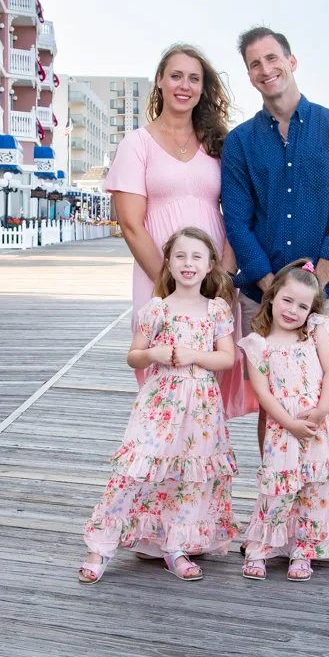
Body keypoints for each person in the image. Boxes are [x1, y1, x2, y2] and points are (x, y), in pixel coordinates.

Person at [221, 26, 329, 451]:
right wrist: (274, 292)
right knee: (271, 403)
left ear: (291, 61)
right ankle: (277, 491)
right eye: (254, 64)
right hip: (262, 295)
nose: (265, 69)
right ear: (249, 76)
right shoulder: (240, 143)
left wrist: (311, 290)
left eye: (272, 58)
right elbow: (238, 222)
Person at [79, 227, 241, 584]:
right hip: (160, 403)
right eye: (180, 256)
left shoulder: (216, 309)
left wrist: (194, 355)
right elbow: (134, 356)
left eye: (197, 257)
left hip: (201, 406)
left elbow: (227, 358)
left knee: (188, 475)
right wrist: (154, 353)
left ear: (210, 265)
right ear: (168, 262)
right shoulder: (157, 309)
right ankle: (101, 547)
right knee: (136, 468)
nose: (188, 263)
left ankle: (175, 546)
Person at [104, 42, 252, 417]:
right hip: (159, 278)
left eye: (194, 78)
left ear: (203, 88)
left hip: (214, 277)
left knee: (210, 371)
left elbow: (237, 215)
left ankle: (202, 449)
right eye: (176, 76)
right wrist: (170, 286)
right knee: (163, 374)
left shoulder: (220, 145)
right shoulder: (136, 145)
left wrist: (225, 278)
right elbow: (131, 225)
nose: (184, 85)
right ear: (159, 81)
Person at [238, 260, 329, 581]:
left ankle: (304, 550)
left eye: (303, 306)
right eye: (287, 300)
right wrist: (290, 424)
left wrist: (323, 409)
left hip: (321, 425)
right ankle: (261, 548)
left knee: (317, 489)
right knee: (279, 490)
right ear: (272, 296)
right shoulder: (258, 344)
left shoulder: (315, 331)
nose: (293, 310)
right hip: (284, 429)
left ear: (311, 310)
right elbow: (263, 394)